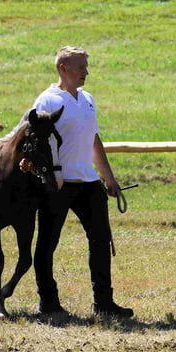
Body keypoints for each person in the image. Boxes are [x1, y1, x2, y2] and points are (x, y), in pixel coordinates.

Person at [26, 46, 133, 319]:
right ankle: (48, 303)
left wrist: (108, 178)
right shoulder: (47, 100)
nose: (86, 72)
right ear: (64, 68)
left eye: (86, 66)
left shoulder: (87, 99)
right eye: (81, 67)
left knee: (100, 240)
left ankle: (104, 303)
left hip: (88, 181)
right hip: (58, 184)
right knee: (48, 243)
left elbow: (94, 140)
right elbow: (34, 140)